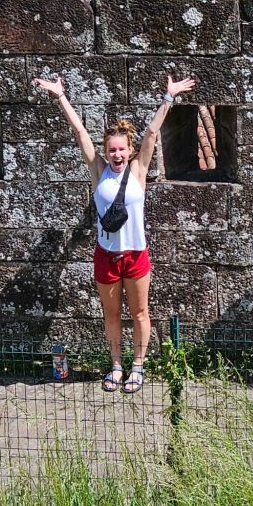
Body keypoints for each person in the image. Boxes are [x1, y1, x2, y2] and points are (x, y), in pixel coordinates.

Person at [35, 74, 196, 393]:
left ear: (130, 150)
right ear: (106, 152)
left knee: (139, 313)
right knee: (111, 317)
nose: (117, 155)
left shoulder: (138, 170)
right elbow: (80, 132)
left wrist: (169, 97)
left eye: (122, 149)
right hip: (106, 257)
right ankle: (117, 366)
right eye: (112, 150)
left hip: (135, 255)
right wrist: (60, 97)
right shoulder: (98, 171)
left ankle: (138, 366)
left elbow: (152, 133)